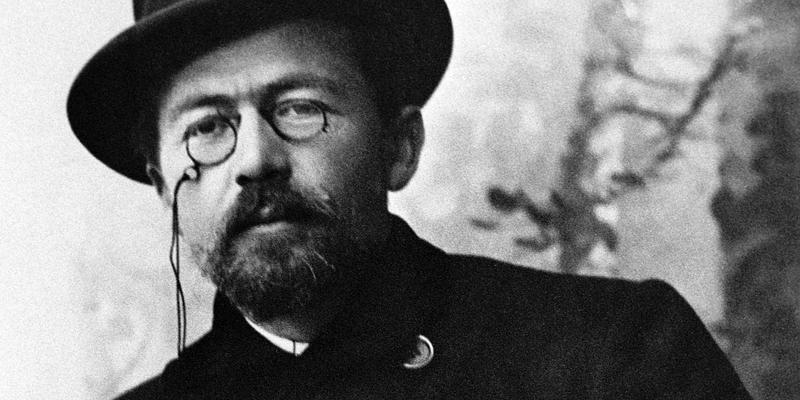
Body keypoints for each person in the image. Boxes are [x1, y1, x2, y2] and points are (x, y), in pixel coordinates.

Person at [67, 0, 752, 399]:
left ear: (399, 148)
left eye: (300, 108)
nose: (255, 160)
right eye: (208, 128)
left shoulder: (613, 356)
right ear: (163, 184)